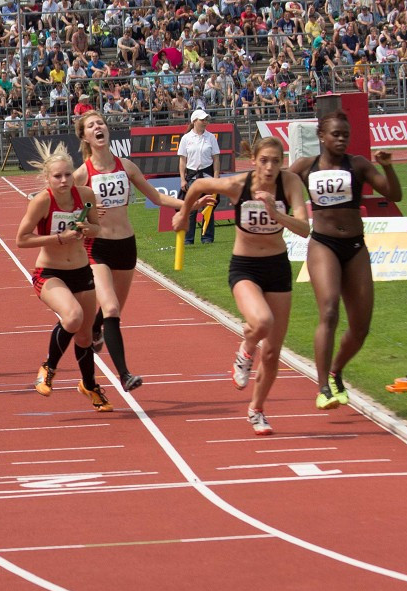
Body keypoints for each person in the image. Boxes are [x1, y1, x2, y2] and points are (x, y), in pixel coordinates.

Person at [174, 138, 310, 435]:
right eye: (264, 160)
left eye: (276, 161)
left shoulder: (290, 184)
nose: (270, 167)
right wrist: (184, 215)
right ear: (254, 161)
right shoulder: (238, 185)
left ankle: (256, 410)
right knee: (261, 321)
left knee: (273, 352)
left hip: (277, 268)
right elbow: (197, 187)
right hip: (245, 267)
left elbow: (304, 227)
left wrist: (277, 214)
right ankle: (246, 350)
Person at [289, 110, 402, 409]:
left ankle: (337, 371)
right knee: (328, 312)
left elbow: (395, 195)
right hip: (323, 244)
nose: (341, 139)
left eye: (345, 135)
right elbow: (276, 185)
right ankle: (323, 386)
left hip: (355, 247)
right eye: (335, 134)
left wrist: (388, 167)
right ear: (321, 137)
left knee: (361, 326)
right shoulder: (304, 166)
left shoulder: (359, 164)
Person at [74, 110, 189, 392]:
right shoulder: (80, 175)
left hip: (126, 245)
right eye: (91, 125)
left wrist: (190, 205)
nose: (98, 127)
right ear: (85, 137)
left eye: (100, 122)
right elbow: (68, 215)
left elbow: (157, 196)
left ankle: (97, 328)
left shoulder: (126, 166)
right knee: (111, 306)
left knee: (113, 312)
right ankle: (124, 375)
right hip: (97, 247)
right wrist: (87, 210)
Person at [15, 141, 111, 412]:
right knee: (72, 316)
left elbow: (97, 228)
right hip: (50, 272)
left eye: (68, 174)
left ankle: (90, 387)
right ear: (47, 178)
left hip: (81, 271)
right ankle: (48, 368)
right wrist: (59, 237)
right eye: (57, 176)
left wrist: (85, 228)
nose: (64, 180)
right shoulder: (42, 201)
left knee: (85, 337)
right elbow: (21, 239)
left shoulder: (86, 194)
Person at [178, 109, 221, 245]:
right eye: (202, 120)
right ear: (194, 121)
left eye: (206, 120)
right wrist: (182, 179)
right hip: (192, 176)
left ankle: (207, 238)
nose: (205, 122)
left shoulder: (211, 137)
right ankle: (188, 239)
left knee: (208, 207)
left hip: (208, 175)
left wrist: (216, 177)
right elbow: (182, 161)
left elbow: (216, 159)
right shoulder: (186, 138)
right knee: (191, 208)